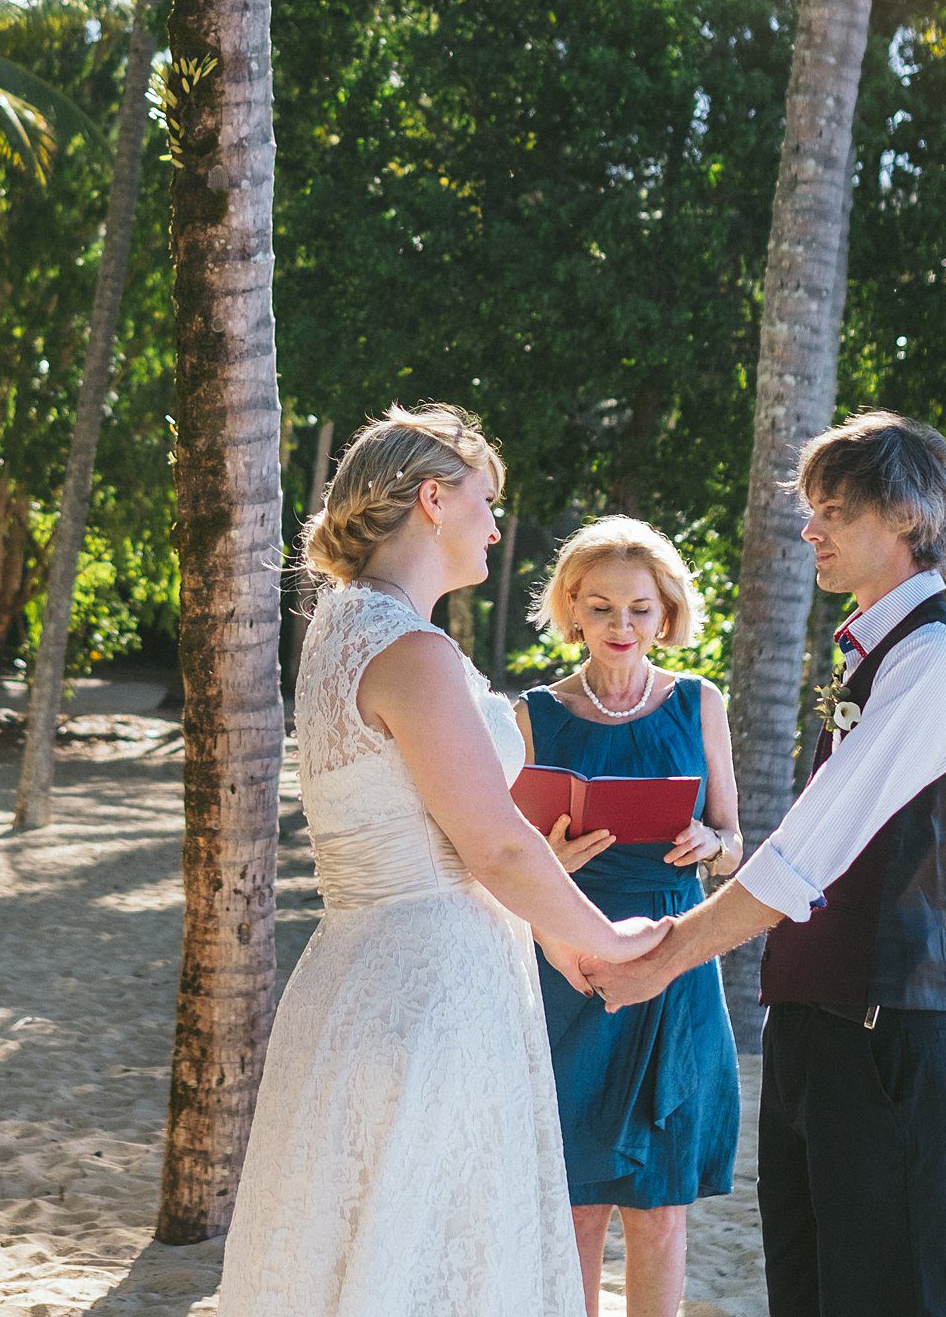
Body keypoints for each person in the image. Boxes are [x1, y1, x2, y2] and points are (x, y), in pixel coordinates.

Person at [214, 405, 671, 1317]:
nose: (497, 526)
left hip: (359, 972)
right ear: (432, 499)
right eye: (486, 500)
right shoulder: (411, 651)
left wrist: (551, 939)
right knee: (436, 1249)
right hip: (432, 990)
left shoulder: (341, 631)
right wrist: (607, 941)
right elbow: (495, 844)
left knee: (373, 1243)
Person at [591, 412, 946, 1317]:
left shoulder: (933, 660)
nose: (809, 529)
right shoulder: (869, 654)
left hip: (880, 1029)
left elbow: (805, 852)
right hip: (813, 1023)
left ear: (904, 515)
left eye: (833, 510)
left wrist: (662, 957)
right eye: (810, 509)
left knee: (885, 1295)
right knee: (808, 1293)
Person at [517, 517, 743, 1317]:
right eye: (602, 606)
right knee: (575, 1209)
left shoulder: (699, 702)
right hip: (572, 970)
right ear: (572, 609)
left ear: (666, 614)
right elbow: (505, 863)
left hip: (677, 966)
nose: (621, 626)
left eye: (640, 608)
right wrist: (553, 863)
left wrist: (708, 842)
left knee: (660, 1210)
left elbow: (736, 846)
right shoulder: (534, 713)